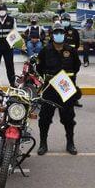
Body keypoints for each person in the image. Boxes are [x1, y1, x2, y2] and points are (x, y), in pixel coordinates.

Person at [36, 22, 81, 156]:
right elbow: (40, 68)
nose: (59, 35)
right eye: (56, 33)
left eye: (61, 32)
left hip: (66, 90)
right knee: (44, 118)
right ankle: (43, 144)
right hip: (50, 89)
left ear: (65, 34)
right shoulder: (45, 50)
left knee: (68, 118)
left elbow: (76, 67)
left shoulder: (71, 50)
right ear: (51, 35)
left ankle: (70, 143)